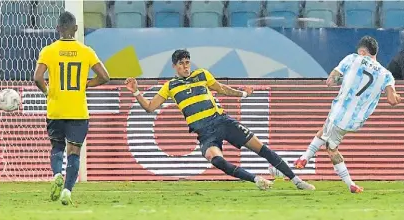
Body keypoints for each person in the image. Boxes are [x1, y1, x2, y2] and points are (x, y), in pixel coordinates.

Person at [124, 49, 315, 191]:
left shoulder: (202, 75)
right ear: (174, 66)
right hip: (204, 133)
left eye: (187, 62)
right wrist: (136, 92)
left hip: (222, 121)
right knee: (214, 159)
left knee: (260, 148)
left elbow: (222, 89)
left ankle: (297, 180)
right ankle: (256, 180)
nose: (185, 66)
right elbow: (150, 107)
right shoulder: (170, 86)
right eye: (181, 63)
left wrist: (243, 95)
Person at [294, 36, 401, 193]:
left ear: (363, 52)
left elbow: (331, 79)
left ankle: (345, 181)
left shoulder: (353, 59)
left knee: (331, 149)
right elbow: (392, 100)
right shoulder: (386, 75)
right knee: (324, 132)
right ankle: (304, 159)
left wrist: (337, 80)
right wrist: (397, 98)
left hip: (340, 114)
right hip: (355, 122)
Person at [34, 11, 110, 205]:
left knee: (57, 147)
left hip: (56, 108)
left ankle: (57, 174)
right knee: (74, 151)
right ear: (76, 28)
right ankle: (67, 190)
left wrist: (47, 92)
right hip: (78, 110)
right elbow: (105, 76)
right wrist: (86, 85)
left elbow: (37, 78)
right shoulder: (86, 51)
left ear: (58, 28)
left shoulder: (48, 50)